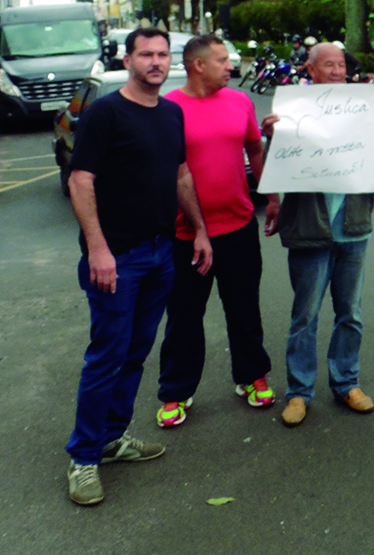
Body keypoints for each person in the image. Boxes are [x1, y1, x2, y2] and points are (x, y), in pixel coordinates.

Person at [64, 28, 213, 506]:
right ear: (128, 59)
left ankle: (113, 438)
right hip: (117, 258)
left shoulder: (171, 113)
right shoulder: (106, 112)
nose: (155, 61)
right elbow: (80, 180)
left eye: (162, 54)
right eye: (145, 54)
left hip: (160, 253)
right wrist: (99, 249)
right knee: (106, 355)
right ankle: (83, 459)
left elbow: (181, 175)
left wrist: (201, 231)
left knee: (135, 352)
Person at [265, 43, 374, 427]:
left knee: (351, 313)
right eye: (328, 64)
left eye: (341, 64)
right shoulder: (292, 111)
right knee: (305, 315)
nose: (336, 70)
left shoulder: (365, 107)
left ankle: (346, 382)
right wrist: (273, 137)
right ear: (310, 69)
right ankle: (299, 392)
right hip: (310, 230)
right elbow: (274, 168)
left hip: (354, 227)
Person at [155, 35, 276, 429]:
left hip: (239, 225)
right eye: (223, 60)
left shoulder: (240, 101)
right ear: (198, 65)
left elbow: (254, 150)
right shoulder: (169, 108)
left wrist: (270, 196)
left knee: (244, 307)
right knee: (185, 315)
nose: (231, 66)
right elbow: (170, 172)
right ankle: (176, 390)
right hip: (187, 234)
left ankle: (251, 376)